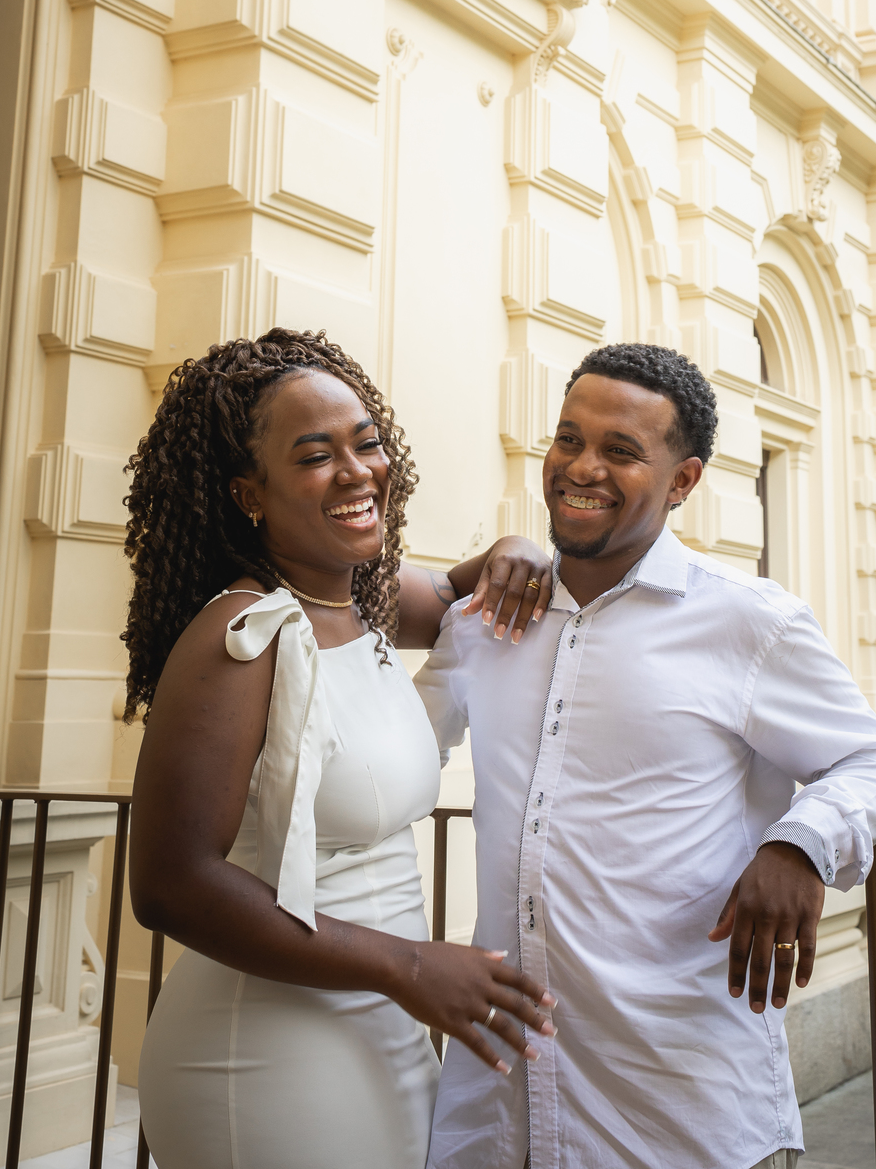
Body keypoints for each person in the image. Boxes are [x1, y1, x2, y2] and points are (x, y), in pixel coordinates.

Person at [415, 341, 876, 1169]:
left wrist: (799, 845)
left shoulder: (751, 623)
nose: (581, 467)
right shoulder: (483, 621)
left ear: (682, 482)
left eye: (620, 451)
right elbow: (389, 753)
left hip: (681, 1111)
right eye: (568, 439)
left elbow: (875, 763)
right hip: (498, 1112)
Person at [127, 328, 558, 1169]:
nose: (357, 472)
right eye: (315, 456)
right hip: (270, 1047)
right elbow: (171, 885)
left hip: (382, 1020)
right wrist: (408, 966)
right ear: (251, 492)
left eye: (367, 442)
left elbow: (461, 589)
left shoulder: (357, 599)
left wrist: (514, 548)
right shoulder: (242, 634)